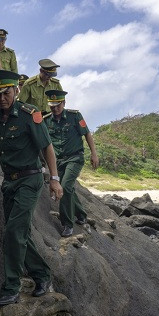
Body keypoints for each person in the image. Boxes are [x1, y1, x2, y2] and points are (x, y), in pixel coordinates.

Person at [0, 69, 64, 307]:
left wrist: (54, 178)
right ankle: (41, 275)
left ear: (16, 91)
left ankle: (11, 287)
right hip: (9, 182)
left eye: (6, 93)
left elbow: (47, 148)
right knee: (19, 232)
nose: (2, 98)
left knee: (13, 232)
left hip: (29, 181)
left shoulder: (30, 115)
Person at [43, 90, 99, 237]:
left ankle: (67, 223)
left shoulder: (75, 116)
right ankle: (81, 215)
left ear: (64, 103)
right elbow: (43, 143)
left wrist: (94, 154)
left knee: (66, 187)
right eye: (52, 106)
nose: (55, 109)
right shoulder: (46, 120)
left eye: (58, 105)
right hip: (58, 161)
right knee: (68, 190)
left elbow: (87, 133)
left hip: (75, 158)